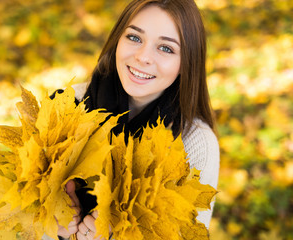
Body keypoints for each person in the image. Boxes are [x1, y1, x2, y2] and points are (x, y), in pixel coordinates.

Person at [44, 0, 220, 239]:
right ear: (118, 39)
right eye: (135, 38)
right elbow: (18, 222)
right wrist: (50, 229)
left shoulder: (195, 143)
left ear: (187, 63)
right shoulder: (65, 106)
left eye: (166, 48)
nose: (142, 57)